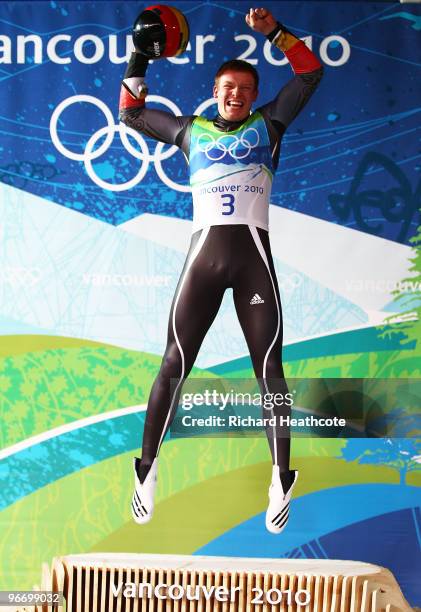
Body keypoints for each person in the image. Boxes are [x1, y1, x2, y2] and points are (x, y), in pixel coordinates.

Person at [119, 7, 323, 534]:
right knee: (172, 364)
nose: (235, 94)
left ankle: (281, 474)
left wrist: (275, 33)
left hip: (253, 261)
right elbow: (132, 113)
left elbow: (310, 73)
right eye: (227, 87)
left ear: (254, 96)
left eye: (244, 88)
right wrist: (140, 53)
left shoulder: (271, 123)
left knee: (270, 370)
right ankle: (146, 469)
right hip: (203, 263)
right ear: (215, 89)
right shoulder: (189, 131)